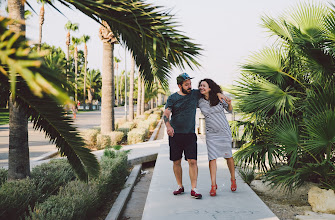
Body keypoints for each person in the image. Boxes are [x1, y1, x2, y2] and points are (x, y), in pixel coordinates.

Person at [163, 73, 226, 199]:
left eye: (190, 84)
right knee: (176, 161)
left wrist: (219, 94)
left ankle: (194, 188)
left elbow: (209, 90)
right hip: (175, 135)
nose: (190, 86)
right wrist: (168, 126)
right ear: (179, 86)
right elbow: (166, 113)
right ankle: (180, 186)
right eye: (186, 85)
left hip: (190, 135)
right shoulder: (172, 98)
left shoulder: (194, 94)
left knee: (192, 161)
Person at [198, 78, 236, 196]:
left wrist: (229, 104)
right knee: (212, 158)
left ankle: (233, 179)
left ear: (210, 88)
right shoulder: (198, 101)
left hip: (224, 132)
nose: (201, 87)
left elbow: (229, 111)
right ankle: (213, 185)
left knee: (228, 156)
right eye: (200, 86)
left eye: (204, 85)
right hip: (211, 134)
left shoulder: (219, 98)